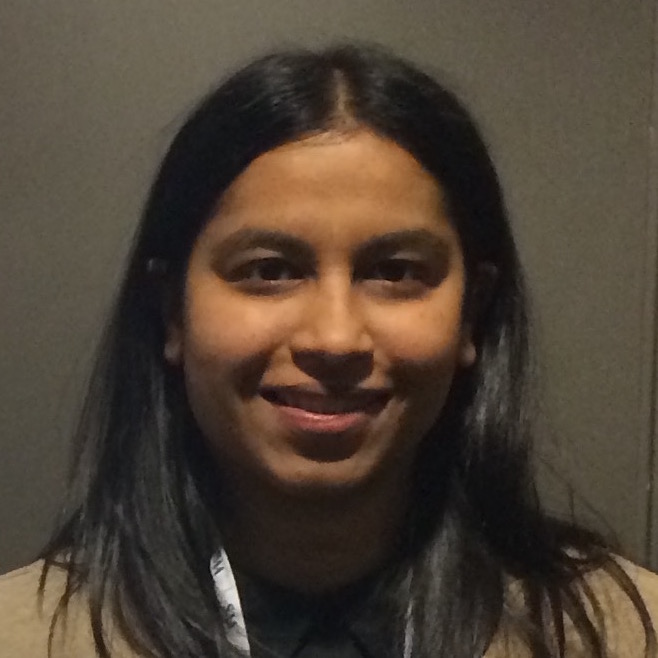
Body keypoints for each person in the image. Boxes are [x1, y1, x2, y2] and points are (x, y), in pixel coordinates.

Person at [0, 43, 656, 658]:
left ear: (471, 313)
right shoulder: (21, 635)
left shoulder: (625, 635)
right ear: (173, 308)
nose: (335, 338)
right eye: (269, 269)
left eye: (395, 272)